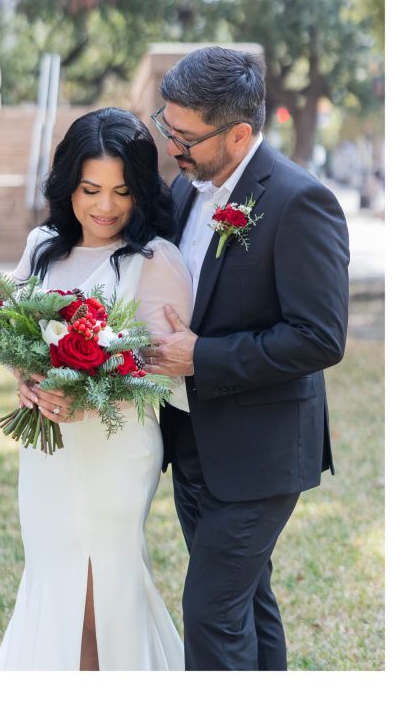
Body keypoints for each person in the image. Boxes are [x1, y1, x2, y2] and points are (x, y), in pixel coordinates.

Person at [145, 46, 350, 670]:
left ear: (239, 133)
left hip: (261, 452)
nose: (173, 147)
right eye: (166, 127)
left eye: (185, 137)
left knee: (210, 614)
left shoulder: (299, 202)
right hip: (192, 440)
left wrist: (202, 357)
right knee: (245, 604)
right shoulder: (188, 188)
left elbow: (319, 337)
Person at [0, 107, 191, 670]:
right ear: (67, 186)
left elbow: (169, 368)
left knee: (103, 595)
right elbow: (13, 334)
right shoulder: (40, 247)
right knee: (55, 578)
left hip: (118, 447)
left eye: (122, 191)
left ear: (141, 192)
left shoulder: (155, 260)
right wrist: (28, 381)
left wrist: (93, 391)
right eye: (90, 189)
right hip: (47, 453)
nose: (105, 207)